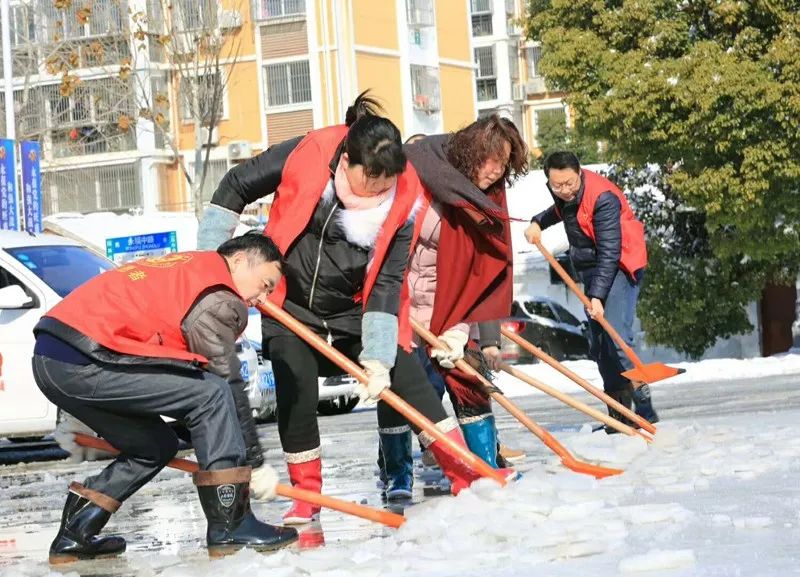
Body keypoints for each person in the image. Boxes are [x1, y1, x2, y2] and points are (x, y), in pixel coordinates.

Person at [197, 92, 506, 523]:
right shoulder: (310, 153)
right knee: (295, 385)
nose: (379, 192)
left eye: (386, 184)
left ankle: (463, 471)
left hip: (356, 307)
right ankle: (306, 492)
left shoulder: (405, 196)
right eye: (370, 183)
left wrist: (377, 358)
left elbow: (386, 281)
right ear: (346, 162)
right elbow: (235, 185)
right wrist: (211, 261)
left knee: (407, 375)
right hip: (290, 299)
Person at [32, 234, 299, 564]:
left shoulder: (190, 268)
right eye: (264, 284)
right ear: (240, 260)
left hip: (55, 357)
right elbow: (225, 380)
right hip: (85, 358)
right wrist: (254, 462)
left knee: (154, 446)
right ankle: (231, 523)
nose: (260, 298)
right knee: (211, 394)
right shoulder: (217, 295)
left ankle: (75, 534)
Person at [374, 115, 529, 499]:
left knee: (469, 379)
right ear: (470, 152)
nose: (495, 171)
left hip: (451, 306)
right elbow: (388, 250)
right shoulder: (421, 178)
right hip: (401, 303)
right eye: (491, 159)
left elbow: (478, 270)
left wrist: (459, 330)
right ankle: (397, 474)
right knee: (400, 388)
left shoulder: (484, 201)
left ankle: (485, 467)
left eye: (503, 164)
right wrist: (393, 308)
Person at [524, 151, 658, 429]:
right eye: (557, 185)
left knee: (617, 338)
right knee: (599, 345)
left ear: (580, 173)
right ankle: (619, 417)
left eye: (569, 184)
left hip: (620, 264)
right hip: (592, 269)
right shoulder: (564, 193)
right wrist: (538, 222)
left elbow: (610, 252)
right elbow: (559, 211)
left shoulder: (602, 197)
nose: (564, 191)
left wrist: (596, 297)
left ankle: (645, 410)